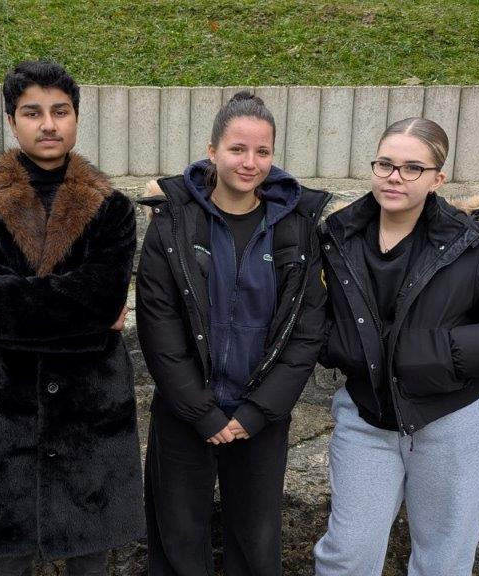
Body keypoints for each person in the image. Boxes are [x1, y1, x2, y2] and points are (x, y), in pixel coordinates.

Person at [312, 117, 479, 575]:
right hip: (366, 418)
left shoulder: (471, 243)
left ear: (437, 179)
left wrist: (433, 353)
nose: (394, 177)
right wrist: (341, 347)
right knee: (347, 554)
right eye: (385, 164)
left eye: (412, 168)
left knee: (443, 560)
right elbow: (311, 316)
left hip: (449, 422)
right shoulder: (338, 236)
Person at [0, 60, 143, 576]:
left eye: (60, 111)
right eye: (32, 112)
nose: (48, 124)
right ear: (12, 121)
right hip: (8, 410)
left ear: (76, 117)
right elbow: (85, 307)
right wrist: (83, 317)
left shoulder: (113, 209)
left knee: (90, 559)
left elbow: (101, 298)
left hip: (91, 412)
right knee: (9, 560)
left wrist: (4, 304)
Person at [136, 92, 329, 575]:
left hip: (259, 417)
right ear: (212, 151)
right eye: (237, 149)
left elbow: (305, 332)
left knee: (256, 542)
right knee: (178, 541)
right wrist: (200, 410)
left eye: (262, 151)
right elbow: (159, 328)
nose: (250, 162)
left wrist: (258, 411)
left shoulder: (297, 228)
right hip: (184, 412)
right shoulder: (173, 225)